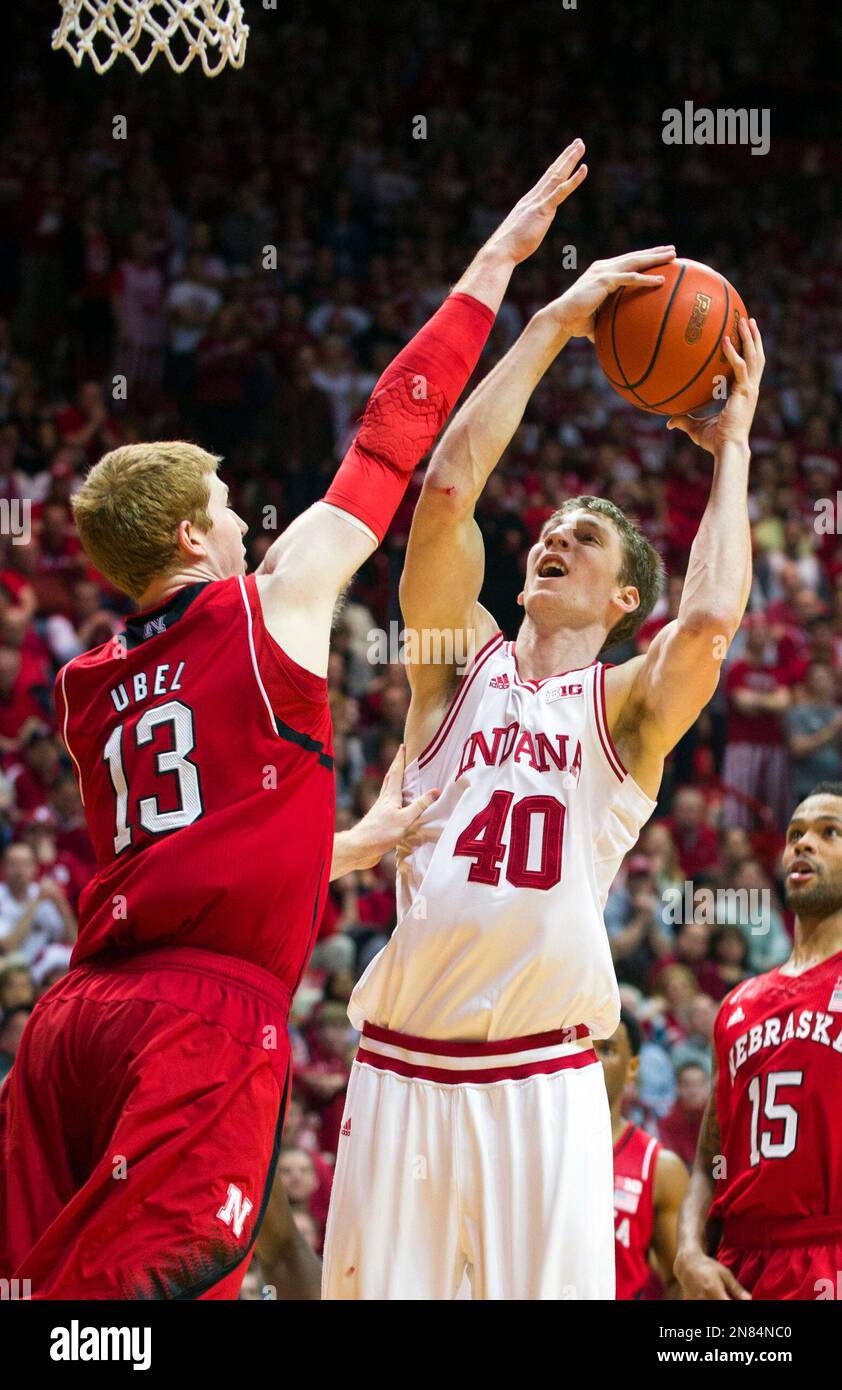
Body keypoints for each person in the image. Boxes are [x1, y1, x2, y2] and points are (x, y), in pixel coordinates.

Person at [0, 148, 579, 1301]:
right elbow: (387, 440)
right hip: (198, 1019)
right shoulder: (270, 606)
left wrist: (352, 845)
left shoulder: (87, 687)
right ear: (184, 540)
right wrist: (495, 266)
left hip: (71, 1025)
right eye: (224, 509)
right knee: (127, 1312)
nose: (242, 524)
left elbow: (194, 840)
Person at [323, 147, 766, 1298]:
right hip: (402, 1070)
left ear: (626, 599)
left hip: (542, 1081)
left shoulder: (622, 707)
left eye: (585, 537)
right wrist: (558, 320)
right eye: (550, 529)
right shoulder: (446, 664)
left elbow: (713, 618)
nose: (552, 538)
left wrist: (733, 447)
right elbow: (446, 491)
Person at [676, 781, 842, 1301]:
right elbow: (710, 1156)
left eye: (828, 832)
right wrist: (687, 1252)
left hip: (827, 1250)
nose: (803, 844)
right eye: (795, 834)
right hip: (738, 1266)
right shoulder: (739, 1003)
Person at [595, 1009, 688, 1299]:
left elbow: (680, 1282)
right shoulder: (533, 1152)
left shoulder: (660, 1167)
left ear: (632, 1067)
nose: (592, 1062)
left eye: (607, 1050)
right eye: (582, 1050)